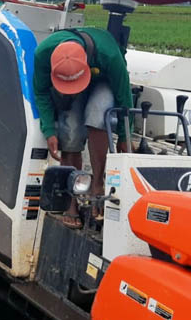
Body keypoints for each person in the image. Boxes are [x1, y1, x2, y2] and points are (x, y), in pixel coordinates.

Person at [33, 27, 133, 229]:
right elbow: (41, 92)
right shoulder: (42, 54)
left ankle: (97, 183)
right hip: (68, 84)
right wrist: (49, 131)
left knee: (99, 112)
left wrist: (124, 136)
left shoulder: (110, 56)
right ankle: (71, 198)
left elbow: (124, 99)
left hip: (102, 80)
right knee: (69, 129)